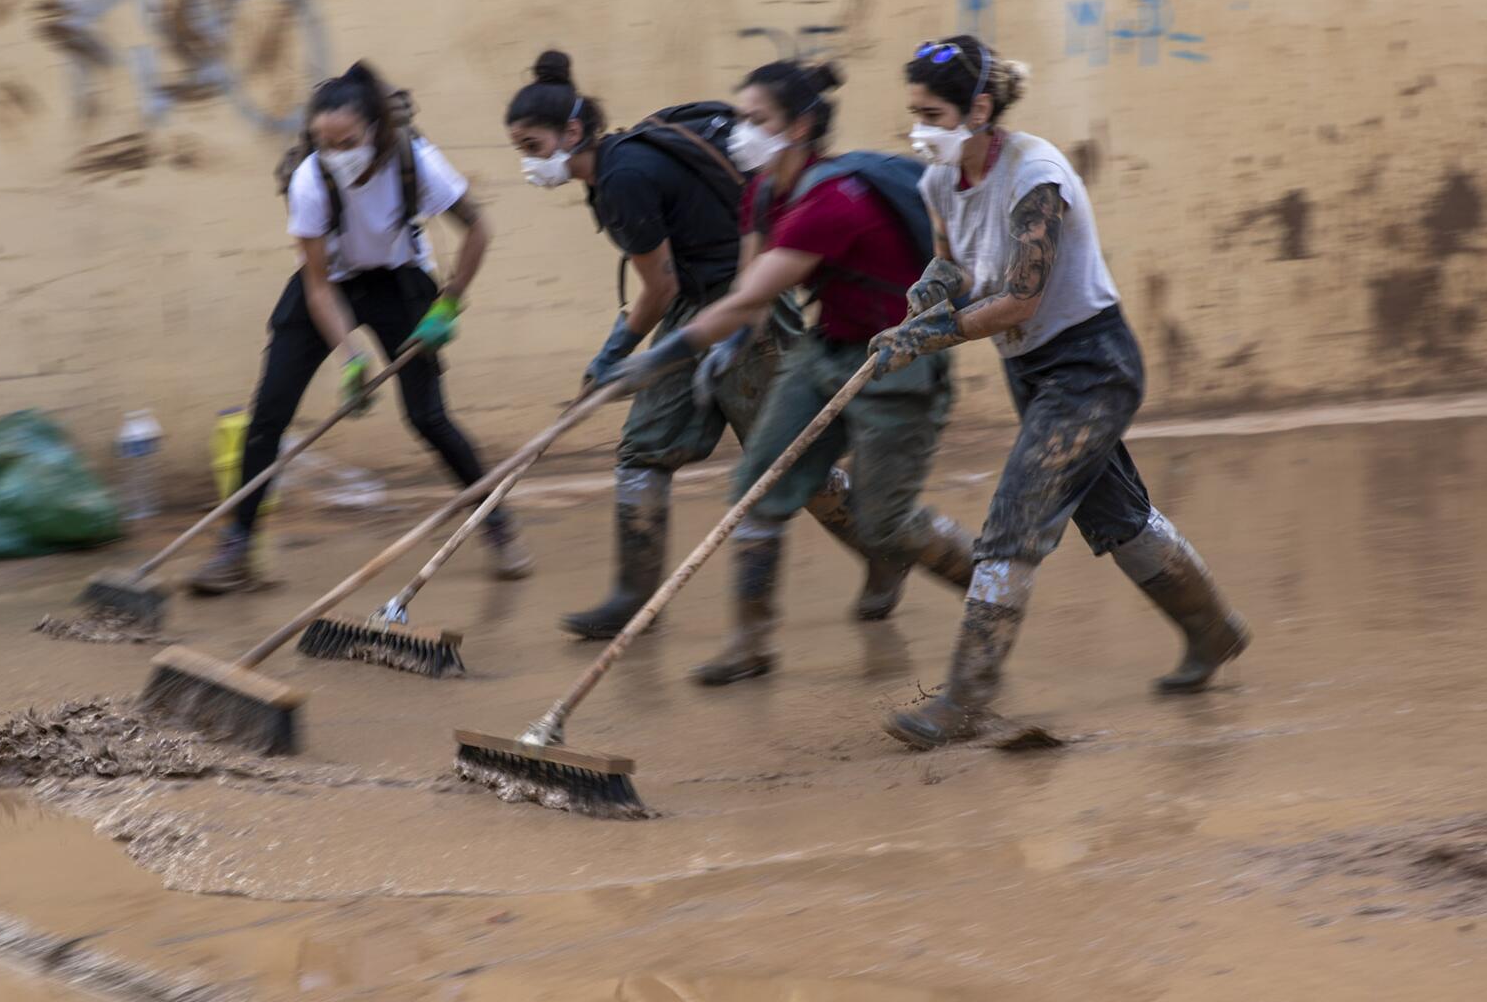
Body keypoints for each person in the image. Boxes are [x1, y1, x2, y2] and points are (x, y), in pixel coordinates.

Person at [868, 35, 1249, 748]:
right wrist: (927, 292)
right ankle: (1212, 629)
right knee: (1117, 520)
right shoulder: (937, 183)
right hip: (1033, 371)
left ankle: (965, 698)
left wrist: (927, 337)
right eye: (914, 112)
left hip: (1090, 367)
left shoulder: (1034, 174)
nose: (919, 128)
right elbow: (953, 266)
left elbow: (1018, 298)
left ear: (979, 108)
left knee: (1015, 520)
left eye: (932, 113)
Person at [505, 49, 914, 642]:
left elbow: (656, 287)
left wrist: (611, 357)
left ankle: (886, 548)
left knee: (788, 460)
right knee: (643, 450)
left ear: (571, 132)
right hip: (692, 305)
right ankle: (633, 596)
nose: (529, 164)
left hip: (741, 307)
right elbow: (670, 285)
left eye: (532, 148)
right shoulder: (619, 163)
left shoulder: (621, 180)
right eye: (520, 150)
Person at [592, 60, 975, 683]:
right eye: (740, 117)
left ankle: (989, 591)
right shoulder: (763, 190)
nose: (738, 132)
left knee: (886, 522)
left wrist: (656, 359)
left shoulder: (832, 199)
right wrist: (725, 343)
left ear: (797, 126)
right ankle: (751, 644)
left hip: (894, 361)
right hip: (824, 350)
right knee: (758, 486)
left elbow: (743, 298)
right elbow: (752, 296)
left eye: (755, 119)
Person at [191, 61, 530, 593]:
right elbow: (319, 285)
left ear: (374, 129)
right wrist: (350, 354)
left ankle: (497, 524)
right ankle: (236, 550)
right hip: (331, 286)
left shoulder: (415, 160)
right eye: (324, 144)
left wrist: (449, 305)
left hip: (400, 284)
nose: (336, 154)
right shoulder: (309, 179)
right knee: (268, 416)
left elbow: (478, 230)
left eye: (346, 141)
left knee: (429, 418)